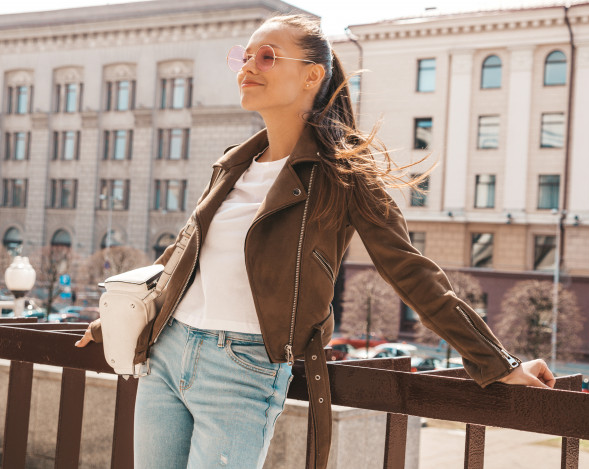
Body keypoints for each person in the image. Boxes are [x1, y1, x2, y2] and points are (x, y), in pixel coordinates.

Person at [76, 14, 555, 469]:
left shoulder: (344, 176)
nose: (247, 67)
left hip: (242, 367)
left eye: (266, 56)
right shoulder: (232, 164)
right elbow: (184, 254)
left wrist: (497, 362)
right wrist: (117, 318)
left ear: (311, 76)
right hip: (168, 353)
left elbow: (410, 271)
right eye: (243, 57)